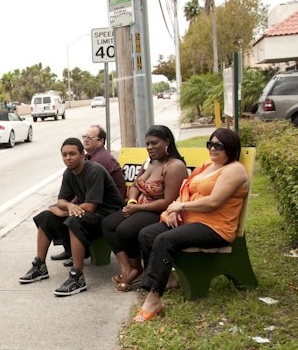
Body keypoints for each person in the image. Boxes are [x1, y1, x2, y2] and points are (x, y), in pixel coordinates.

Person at [133, 128, 249, 322]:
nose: (213, 149)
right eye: (210, 144)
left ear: (230, 147)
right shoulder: (207, 165)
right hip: (190, 220)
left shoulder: (234, 169)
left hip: (214, 227)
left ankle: (154, 298)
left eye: (218, 145)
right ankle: (167, 280)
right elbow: (185, 188)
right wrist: (171, 211)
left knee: (164, 240)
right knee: (147, 234)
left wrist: (182, 206)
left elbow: (214, 202)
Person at [19, 138, 124, 296]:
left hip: (108, 214)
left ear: (83, 154)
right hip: (87, 212)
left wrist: (64, 211)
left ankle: (77, 277)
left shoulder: (94, 170)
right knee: (45, 216)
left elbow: (90, 206)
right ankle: (39, 265)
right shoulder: (69, 173)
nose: (68, 157)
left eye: (72, 154)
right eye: (64, 154)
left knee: (74, 221)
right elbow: (61, 200)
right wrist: (68, 206)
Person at [100, 125, 187, 291]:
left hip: (160, 212)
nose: (150, 147)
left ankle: (141, 270)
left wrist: (137, 209)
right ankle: (131, 268)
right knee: (108, 223)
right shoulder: (150, 162)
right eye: (147, 144)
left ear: (167, 142)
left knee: (125, 230)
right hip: (139, 207)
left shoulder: (175, 166)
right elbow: (135, 186)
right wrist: (132, 202)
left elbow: (169, 201)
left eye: (154, 143)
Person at [50, 125, 126, 264]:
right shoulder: (81, 163)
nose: (85, 139)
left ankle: (77, 267)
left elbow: (90, 202)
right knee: (48, 215)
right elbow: (70, 195)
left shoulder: (99, 161)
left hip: (107, 208)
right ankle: (47, 261)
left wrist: (67, 210)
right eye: (84, 136)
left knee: (71, 218)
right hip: (92, 201)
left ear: (101, 141)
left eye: (89, 137)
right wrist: (68, 206)